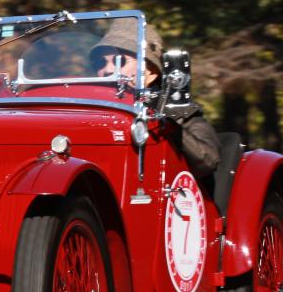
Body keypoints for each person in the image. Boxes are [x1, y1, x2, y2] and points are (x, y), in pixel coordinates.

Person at [89, 24, 243, 217]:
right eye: (100, 63)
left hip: (170, 211)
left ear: (150, 71)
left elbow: (207, 159)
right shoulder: (94, 118)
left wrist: (168, 124)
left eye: (119, 60)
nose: (106, 70)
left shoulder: (179, 113)